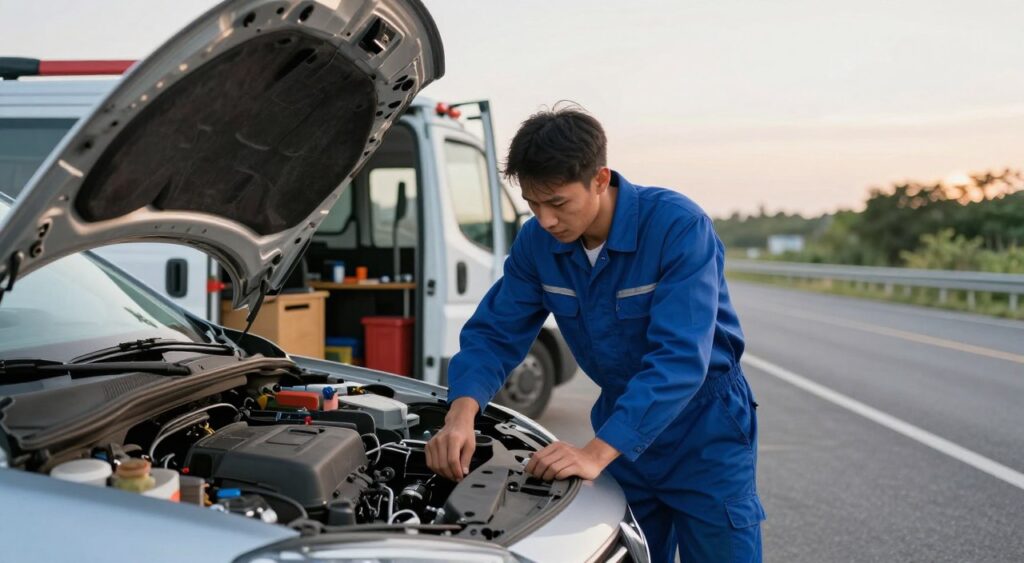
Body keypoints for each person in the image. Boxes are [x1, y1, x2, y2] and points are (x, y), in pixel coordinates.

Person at [424, 104, 764, 562]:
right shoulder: (537, 243)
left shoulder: (677, 227)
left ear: (600, 180)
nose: (545, 220)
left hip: (705, 432)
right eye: (533, 204)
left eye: (557, 203)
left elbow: (681, 359)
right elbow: (494, 333)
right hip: (623, 429)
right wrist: (460, 416)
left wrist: (595, 453)